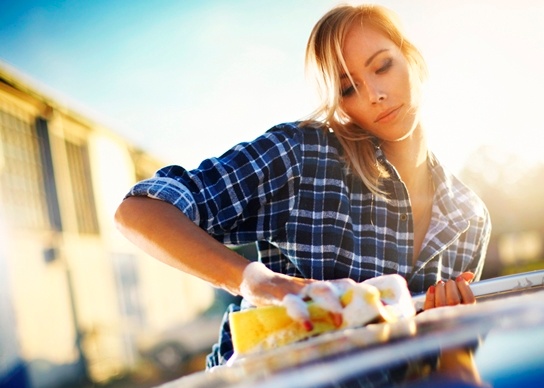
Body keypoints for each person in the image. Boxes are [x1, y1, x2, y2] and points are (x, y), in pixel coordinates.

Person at [115, 4, 491, 367]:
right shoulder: (300, 156)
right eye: (348, 89)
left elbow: (445, 366)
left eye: (383, 66)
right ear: (339, 104)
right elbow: (139, 211)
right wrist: (256, 282)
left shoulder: (469, 219)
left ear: (414, 60)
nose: (375, 94)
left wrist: (453, 346)